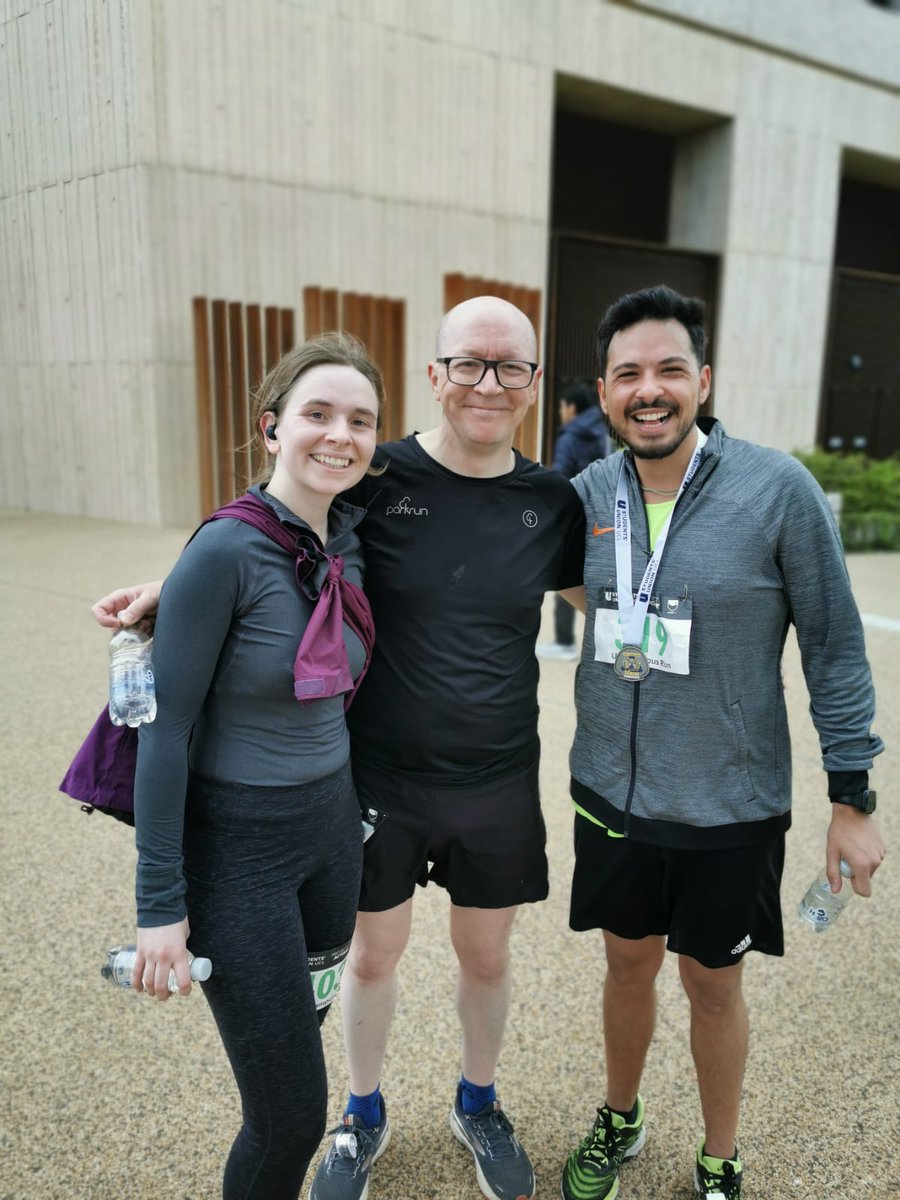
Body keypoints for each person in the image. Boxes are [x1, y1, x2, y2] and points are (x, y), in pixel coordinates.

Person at [91, 295, 586, 1200]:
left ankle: (478, 1102)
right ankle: (360, 1113)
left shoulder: (552, 500)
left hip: (499, 776)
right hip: (377, 778)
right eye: (467, 363)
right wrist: (185, 581)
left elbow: (610, 604)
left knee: (487, 957)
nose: (487, 382)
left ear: (532, 384)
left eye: (509, 366)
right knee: (370, 958)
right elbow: (274, 529)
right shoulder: (377, 476)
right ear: (434, 376)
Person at [559, 285, 885, 1200]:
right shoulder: (586, 493)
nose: (649, 389)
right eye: (629, 374)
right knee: (626, 963)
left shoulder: (775, 491)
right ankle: (620, 1119)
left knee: (712, 984)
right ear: (605, 390)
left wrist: (852, 797)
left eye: (669, 369)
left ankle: (719, 1156)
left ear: (703, 379)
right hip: (611, 796)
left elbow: (831, 642)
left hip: (729, 807)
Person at [96, 333, 384, 1200]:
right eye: (318, 414)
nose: (339, 434)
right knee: (292, 1114)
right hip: (241, 859)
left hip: (334, 842)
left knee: (300, 1037)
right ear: (271, 428)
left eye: (361, 420)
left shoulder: (353, 540)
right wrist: (160, 908)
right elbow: (166, 730)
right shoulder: (222, 553)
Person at [537, 380, 610, 661]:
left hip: (571, 515)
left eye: (562, 406)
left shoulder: (570, 436)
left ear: (572, 408)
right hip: (601, 516)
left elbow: (562, 477)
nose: (560, 411)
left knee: (565, 577)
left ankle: (564, 640)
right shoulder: (601, 433)